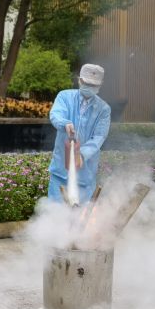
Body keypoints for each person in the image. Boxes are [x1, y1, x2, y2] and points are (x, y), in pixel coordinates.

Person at [48, 63, 111, 204]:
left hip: (85, 176)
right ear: (79, 80)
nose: (89, 87)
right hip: (60, 173)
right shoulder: (64, 96)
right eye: (87, 83)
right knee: (54, 212)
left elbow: (99, 136)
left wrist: (81, 155)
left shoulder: (104, 109)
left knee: (82, 215)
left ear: (100, 85)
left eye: (93, 85)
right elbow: (55, 114)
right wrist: (65, 123)